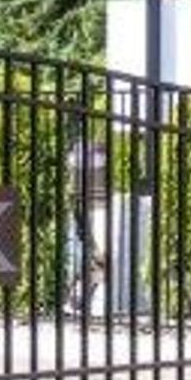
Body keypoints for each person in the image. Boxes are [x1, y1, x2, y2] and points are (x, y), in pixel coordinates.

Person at [65, 131, 109, 315]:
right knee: (92, 258)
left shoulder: (86, 159)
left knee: (96, 259)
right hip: (86, 211)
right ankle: (76, 298)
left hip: (93, 209)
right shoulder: (84, 160)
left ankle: (78, 298)